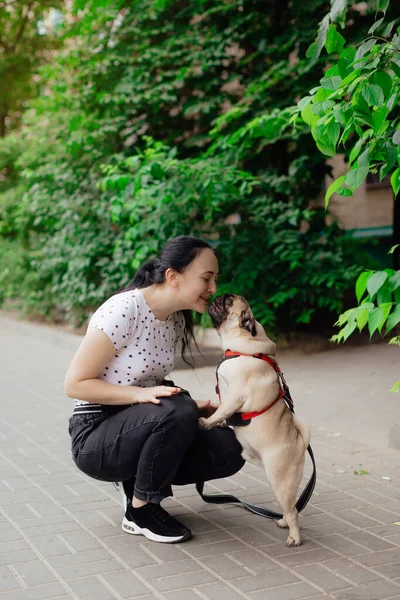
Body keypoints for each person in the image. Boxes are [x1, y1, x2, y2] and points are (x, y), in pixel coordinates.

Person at [64, 235, 245, 544]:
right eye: (206, 278)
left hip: (139, 423)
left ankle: (137, 482)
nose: (214, 288)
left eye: (215, 278)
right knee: (178, 410)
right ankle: (141, 510)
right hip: (95, 434)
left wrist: (192, 405)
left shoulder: (173, 320)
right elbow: (75, 384)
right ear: (173, 276)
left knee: (228, 448)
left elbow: (150, 384)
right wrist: (143, 397)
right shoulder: (124, 310)